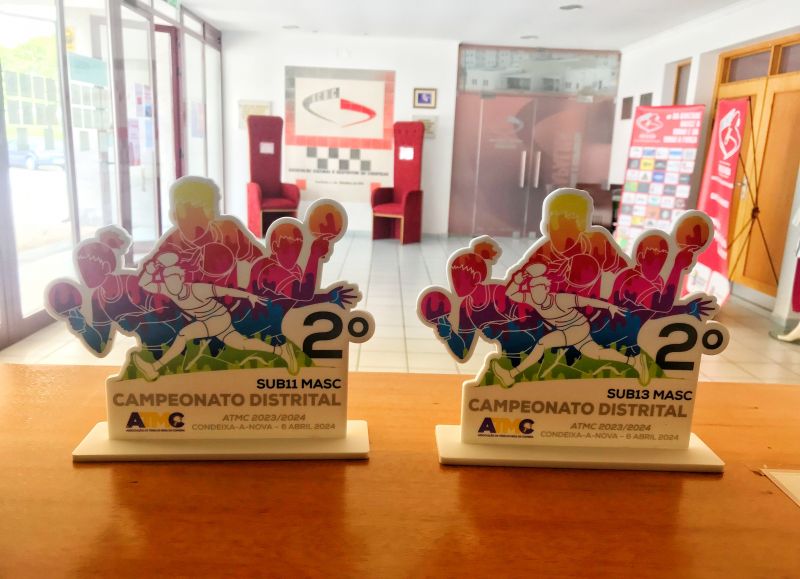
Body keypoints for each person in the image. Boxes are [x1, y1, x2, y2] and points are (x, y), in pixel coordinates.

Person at [132, 253, 298, 381]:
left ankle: (154, 368)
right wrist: (150, 269)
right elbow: (143, 283)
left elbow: (225, 291)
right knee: (242, 344)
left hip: (219, 317)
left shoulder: (197, 289)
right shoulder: (169, 290)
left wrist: (249, 296)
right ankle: (281, 351)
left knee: (184, 334)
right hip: (208, 321)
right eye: (168, 281)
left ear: (181, 279)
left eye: (174, 280)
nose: (171, 285)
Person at [492, 263, 649, 388]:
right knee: (597, 354)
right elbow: (511, 293)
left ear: (546, 289)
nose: (535, 294)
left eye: (539, 289)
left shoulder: (561, 299)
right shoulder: (532, 299)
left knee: (542, 343)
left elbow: (587, 301)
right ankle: (635, 362)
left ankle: (510, 375)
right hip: (568, 331)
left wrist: (609, 306)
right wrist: (518, 280)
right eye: (532, 290)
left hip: (579, 327)